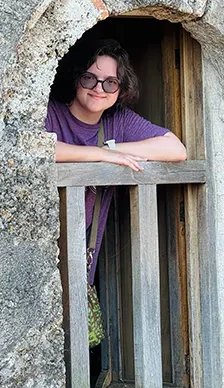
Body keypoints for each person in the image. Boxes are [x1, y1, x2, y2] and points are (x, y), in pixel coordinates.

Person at [45, 38, 186, 283]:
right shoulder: (50, 112)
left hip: (83, 255)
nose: (99, 89)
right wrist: (100, 154)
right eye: (90, 78)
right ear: (76, 78)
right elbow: (39, 149)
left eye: (111, 83)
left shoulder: (117, 120)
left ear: (120, 89)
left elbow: (176, 149)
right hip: (41, 246)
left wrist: (112, 147)